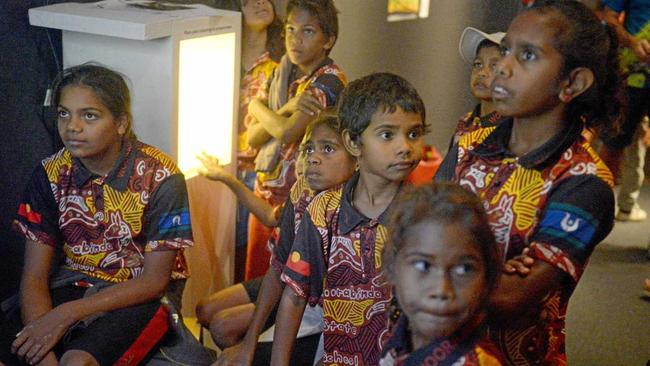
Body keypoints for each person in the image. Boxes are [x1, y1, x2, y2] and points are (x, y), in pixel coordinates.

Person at [436, 1, 621, 364]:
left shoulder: (584, 183)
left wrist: (427, 258)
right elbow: (404, 230)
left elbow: (511, 299)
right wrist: (493, 267)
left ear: (572, 82)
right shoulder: (469, 142)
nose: (502, 67)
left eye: (528, 56)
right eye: (506, 49)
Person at [0, 64, 193, 366]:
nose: (72, 127)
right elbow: (34, 275)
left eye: (89, 115)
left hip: (138, 292)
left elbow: (155, 280)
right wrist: (43, 351)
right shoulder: (50, 173)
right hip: (71, 281)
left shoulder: (161, 175)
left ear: (120, 123)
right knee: (20, 352)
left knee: (77, 362)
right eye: (64, 113)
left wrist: (63, 315)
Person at [273, 72, 427, 366]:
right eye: (387, 134)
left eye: (414, 133)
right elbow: (294, 296)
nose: (405, 146)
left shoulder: (425, 217)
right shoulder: (322, 211)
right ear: (353, 143)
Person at [197, 112, 356, 365]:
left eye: (328, 149)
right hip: (290, 285)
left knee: (223, 326)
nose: (313, 157)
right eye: (308, 149)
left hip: (323, 311)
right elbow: (279, 260)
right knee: (206, 311)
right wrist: (226, 177)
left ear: (356, 157)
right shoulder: (301, 192)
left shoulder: (354, 209)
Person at [244, 0, 346, 280]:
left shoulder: (329, 82)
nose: (295, 40)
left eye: (308, 32)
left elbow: (288, 133)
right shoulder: (282, 72)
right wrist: (279, 108)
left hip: (298, 201)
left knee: (283, 284)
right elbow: (253, 137)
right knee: (256, 278)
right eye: (290, 29)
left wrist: (260, 109)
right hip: (265, 190)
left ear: (329, 41)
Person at [379, 182, 504, 365]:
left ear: (487, 279)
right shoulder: (400, 340)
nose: (441, 290)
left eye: (464, 269)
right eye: (423, 266)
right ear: (391, 268)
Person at [214, 0, 285, 281]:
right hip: (217, 161)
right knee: (217, 248)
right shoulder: (220, 53)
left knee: (248, 248)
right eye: (247, 1)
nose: (259, 3)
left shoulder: (281, 62)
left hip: (260, 166)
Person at [599, 0, 650, 221]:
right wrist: (633, 42)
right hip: (632, 75)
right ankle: (591, 210)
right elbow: (608, 16)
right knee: (613, 141)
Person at [453, 27, 506, 144]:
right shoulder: (465, 122)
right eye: (478, 64)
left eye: (494, 66)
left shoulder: (512, 128)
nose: (482, 72)